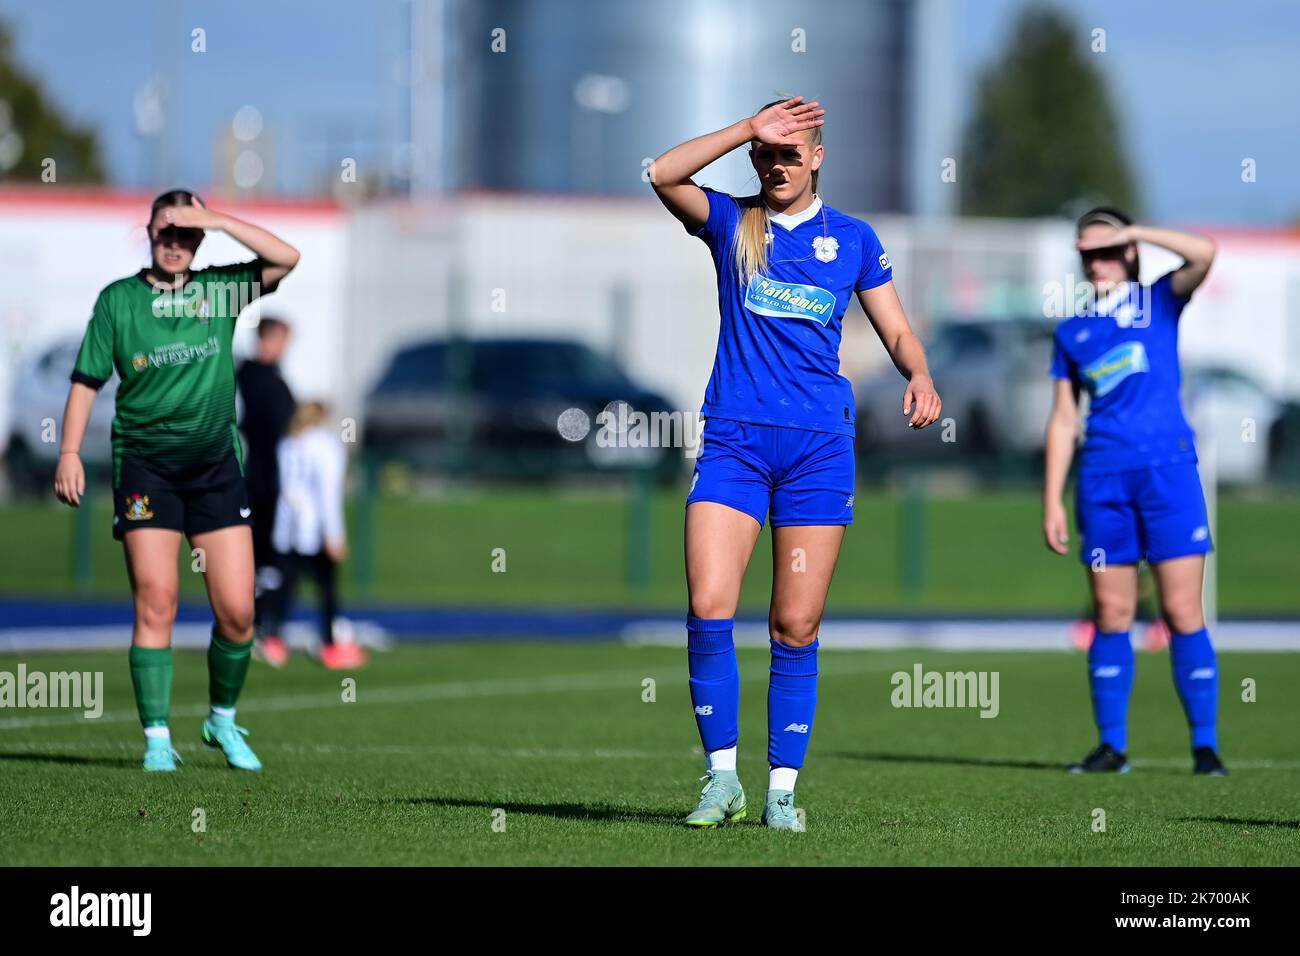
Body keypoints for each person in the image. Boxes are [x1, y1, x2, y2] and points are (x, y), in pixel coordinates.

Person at [649, 96, 942, 829]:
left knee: (795, 623)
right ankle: (722, 780)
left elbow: (898, 328)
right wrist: (748, 127)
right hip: (734, 444)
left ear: (817, 158)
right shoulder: (731, 225)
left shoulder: (852, 238)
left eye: (789, 153)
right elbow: (662, 173)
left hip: (818, 451)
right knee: (709, 605)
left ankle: (781, 791)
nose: (775, 166)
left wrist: (919, 373)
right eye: (765, 154)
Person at [54, 189, 300, 772]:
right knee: (157, 599)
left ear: (199, 240)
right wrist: (67, 452)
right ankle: (157, 739)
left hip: (216, 471)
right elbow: (87, 381)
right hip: (147, 469)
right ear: (148, 232)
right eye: (167, 231)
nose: (175, 243)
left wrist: (214, 218)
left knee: (239, 611)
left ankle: (221, 720)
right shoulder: (118, 302)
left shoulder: (219, 291)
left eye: (187, 234)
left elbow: (286, 257)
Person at [1043, 206, 1225, 776]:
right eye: (1086, 254)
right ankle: (1112, 747)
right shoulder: (1072, 330)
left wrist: (1138, 232)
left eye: (1106, 250)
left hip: (1167, 474)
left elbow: (1205, 253)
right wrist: (1051, 497)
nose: (1095, 262)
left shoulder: (1160, 300)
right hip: (1101, 481)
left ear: (1127, 251)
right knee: (1111, 611)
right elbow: (1063, 419)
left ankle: (1205, 748)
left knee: (1180, 609)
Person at [259, 401, 363, 670]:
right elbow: (327, 495)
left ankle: (273, 640)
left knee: (285, 586)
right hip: (314, 530)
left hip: (288, 527)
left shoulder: (288, 444)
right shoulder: (326, 447)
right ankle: (330, 645)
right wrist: (334, 534)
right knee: (327, 590)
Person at [235, 315, 296, 666]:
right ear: (268, 339)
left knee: (276, 557)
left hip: (277, 479)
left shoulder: (275, 378)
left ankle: (269, 625)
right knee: (258, 556)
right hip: (256, 479)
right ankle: (257, 626)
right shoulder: (250, 376)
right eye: (282, 340)